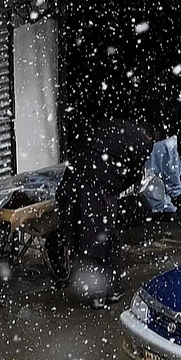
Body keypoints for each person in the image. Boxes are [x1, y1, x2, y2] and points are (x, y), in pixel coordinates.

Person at [51, 121, 152, 305]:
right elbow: (134, 174)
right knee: (103, 238)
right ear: (150, 136)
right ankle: (103, 292)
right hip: (98, 186)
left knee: (79, 234)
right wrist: (120, 188)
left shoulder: (113, 128)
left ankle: (87, 286)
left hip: (73, 179)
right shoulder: (143, 142)